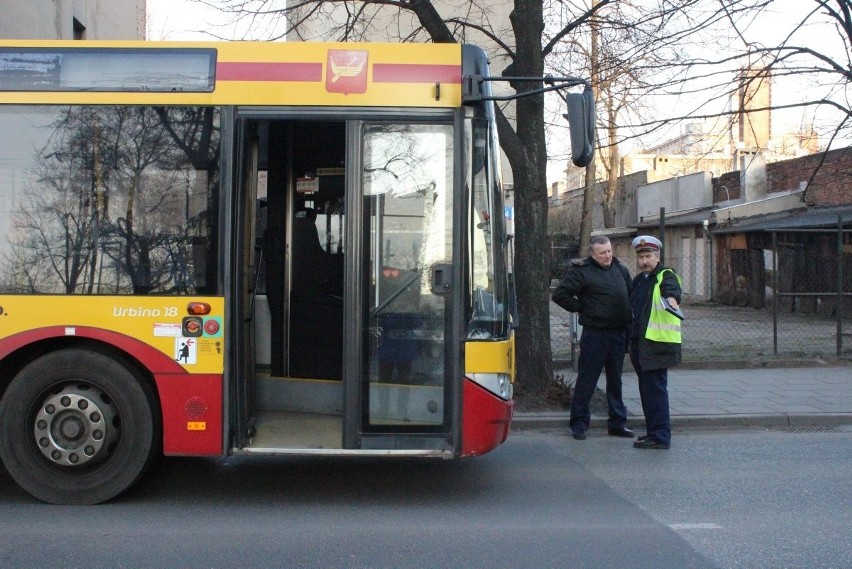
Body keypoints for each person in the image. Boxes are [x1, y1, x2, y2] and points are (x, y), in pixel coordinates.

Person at [552, 236, 634, 441]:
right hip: (595, 335)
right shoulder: (582, 271)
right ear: (592, 254)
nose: (607, 256)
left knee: (616, 381)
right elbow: (560, 295)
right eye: (602, 253)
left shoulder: (620, 269)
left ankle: (617, 423)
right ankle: (579, 424)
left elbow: (630, 294)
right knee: (587, 381)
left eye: (609, 251)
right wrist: (582, 308)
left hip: (618, 334)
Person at [628, 235, 683, 450]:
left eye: (648, 256)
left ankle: (660, 436)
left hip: (657, 347)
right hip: (641, 346)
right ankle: (653, 432)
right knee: (648, 392)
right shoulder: (641, 280)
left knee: (656, 392)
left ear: (657, 256)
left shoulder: (665, 275)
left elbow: (673, 289)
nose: (644, 261)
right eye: (641, 257)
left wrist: (672, 298)